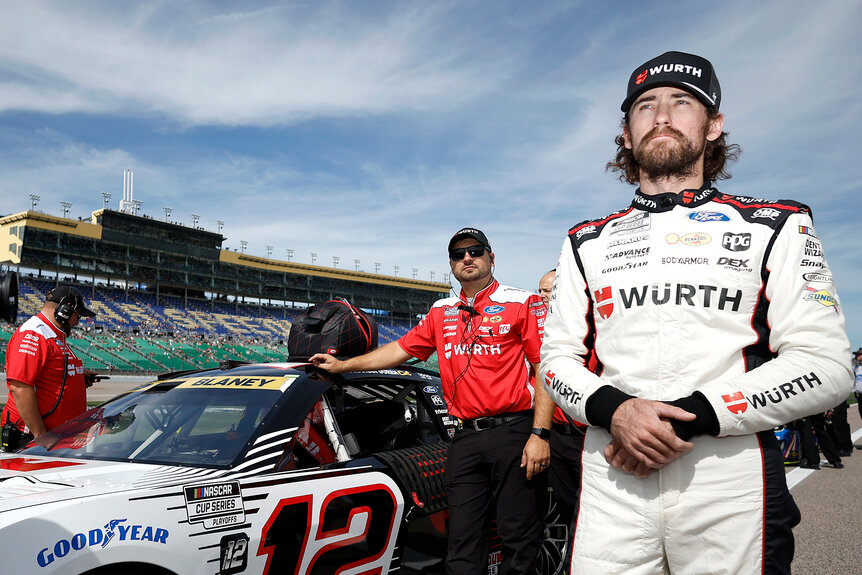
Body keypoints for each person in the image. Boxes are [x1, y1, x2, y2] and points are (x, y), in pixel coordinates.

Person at [540, 50, 853, 575]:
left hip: (730, 481)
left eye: (681, 102)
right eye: (645, 105)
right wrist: (617, 411)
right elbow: (555, 360)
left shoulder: (778, 225)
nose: (661, 116)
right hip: (612, 480)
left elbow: (828, 366)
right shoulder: (583, 241)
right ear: (626, 133)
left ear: (713, 126)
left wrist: (692, 417)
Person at [312, 227, 554, 574]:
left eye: (475, 251)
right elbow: (400, 350)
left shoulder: (523, 302)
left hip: (514, 433)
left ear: (491, 257)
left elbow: (544, 368)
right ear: (452, 265)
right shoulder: (442, 311)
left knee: (519, 539)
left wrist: (540, 434)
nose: (467, 258)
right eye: (458, 255)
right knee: (462, 543)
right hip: (465, 437)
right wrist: (344, 365)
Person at [2, 285, 99, 450]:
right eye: (78, 315)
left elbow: (51, 373)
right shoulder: (33, 334)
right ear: (65, 310)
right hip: (32, 438)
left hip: (58, 436)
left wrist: (78, 377)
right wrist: (41, 435)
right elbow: (20, 387)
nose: (78, 321)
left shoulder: (54, 334)